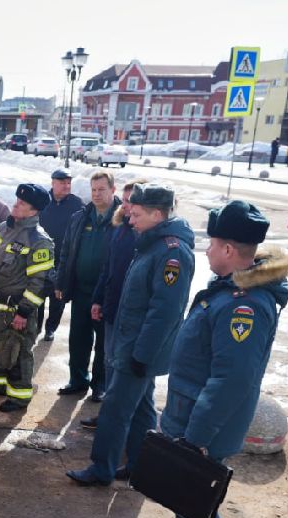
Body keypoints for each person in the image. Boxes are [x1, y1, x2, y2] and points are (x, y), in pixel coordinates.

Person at [149, 200, 288, 518]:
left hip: (205, 420)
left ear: (229, 251)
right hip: (190, 409)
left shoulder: (244, 306)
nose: (207, 251)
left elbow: (231, 379)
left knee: (193, 486)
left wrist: (197, 435)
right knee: (181, 487)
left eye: (212, 244)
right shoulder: (231, 289)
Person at [66, 183, 194, 487]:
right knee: (142, 409)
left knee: (114, 410)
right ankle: (139, 465)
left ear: (157, 214)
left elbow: (164, 313)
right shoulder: (151, 244)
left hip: (138, 349)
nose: (130, 219)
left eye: (136, 215)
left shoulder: (171, 254)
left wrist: (141, 355)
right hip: (132, 345)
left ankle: (101, 468)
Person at [0, 183, 55, 412]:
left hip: (15, 310)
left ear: (34, 211)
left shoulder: (39, 240)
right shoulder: (4, 228)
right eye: (17, 201)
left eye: (22, 203)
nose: (15, 205)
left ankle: (19, 397)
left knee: (17, 354)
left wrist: (24, 312)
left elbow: (39, 282)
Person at [80, 179, 145, 431]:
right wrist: (98, 299)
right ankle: (108, 413)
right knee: (110, 363)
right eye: (126, 200)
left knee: (122, 370)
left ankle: (120, 421)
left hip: (128, 315)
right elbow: (108, 269)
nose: (126, 205)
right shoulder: (120, 228)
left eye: (132, 201)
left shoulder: (146, 236)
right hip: (111, 308)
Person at [54, 171, 121, 401]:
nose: (96, 194)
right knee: (78, 338)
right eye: (93, 189)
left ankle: (99, 385)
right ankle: (77, 379)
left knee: (103, 343)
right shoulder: (81, 217)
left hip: (106, 293)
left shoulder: (122, 219)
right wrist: (62, 280)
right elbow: (66, 251)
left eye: (101, 189)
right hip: (81, 290)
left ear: (113, 190)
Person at [38, 168, 84, 341]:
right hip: (41, 258)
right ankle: (35, 327)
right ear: (53, 183)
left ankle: (51, 328)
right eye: (62, 182)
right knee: (37, 296)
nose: (66, 186)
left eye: (68, 183)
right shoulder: (43, 200)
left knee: (57, 298)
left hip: (63, 260)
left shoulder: (76, 204)